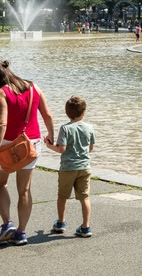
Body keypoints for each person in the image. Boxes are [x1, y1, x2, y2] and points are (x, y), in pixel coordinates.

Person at [0, 60, 55, 246]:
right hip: (31, 143)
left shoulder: (1, 93)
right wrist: (51, 135)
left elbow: (1, 124)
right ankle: (22, 233)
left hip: (8, 144)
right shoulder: (34, 87)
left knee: (0, 185)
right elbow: (47, 115)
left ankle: (8, 223)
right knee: (24, 189)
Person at [46, 96, 96, 238]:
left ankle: (61, 223)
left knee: (63, 196)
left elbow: (61, 149)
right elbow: (90, 148)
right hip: (85, 167)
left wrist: (49, 146)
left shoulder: (65, 128)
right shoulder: (89, 128)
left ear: (67, 113)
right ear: (84, 112)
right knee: (84, 197)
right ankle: (85, 227)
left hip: (68, 168)